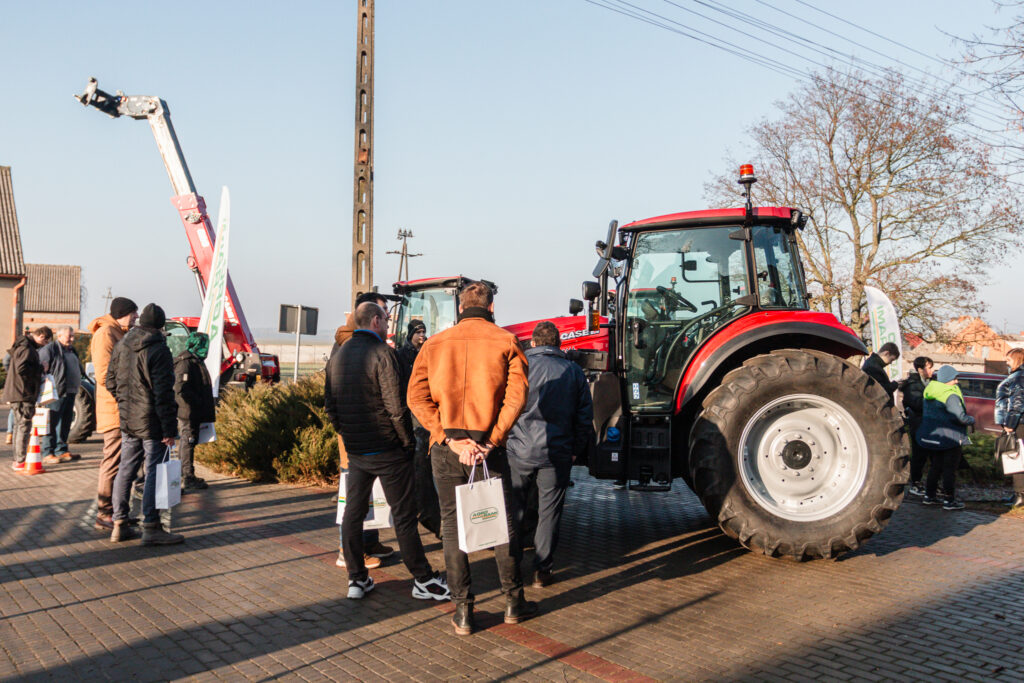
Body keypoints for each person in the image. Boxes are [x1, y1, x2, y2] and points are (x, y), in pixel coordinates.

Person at [408, 281, 534, 636]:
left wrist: (448, 437)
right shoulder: (506, 341)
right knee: (502, 523)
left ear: (460, 309)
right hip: (487, 449)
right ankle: (513, 602)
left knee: (452, 526)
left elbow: (415, 398)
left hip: (448, 448)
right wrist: (492, 440)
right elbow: (517, 398)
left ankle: (463, 610)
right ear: (491, 308)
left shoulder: (434, 344)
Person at [331, 302, 449, 601]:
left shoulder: (339, 354)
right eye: (386, 319)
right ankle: (423, 579)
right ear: (374, 321)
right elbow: (397, 408)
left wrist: (348, 433)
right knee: (405, 517)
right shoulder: (383, 354)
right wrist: (407, 443)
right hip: (388, 450)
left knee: (352, 514)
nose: (388, 323)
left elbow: (330, 406)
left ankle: (356, 579)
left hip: (357, 451)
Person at [507, 321, 593, 588]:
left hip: (519, 451)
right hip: (556, 454)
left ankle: (511, 566)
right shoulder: (574, 371)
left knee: (515, 510)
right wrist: (576, 451)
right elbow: (584, 417)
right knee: (549, 512)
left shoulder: (519, 367)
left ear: (532, 343)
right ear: (558, 343)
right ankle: (542, 570)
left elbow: (505, 407)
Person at [326, 291, 397, 570]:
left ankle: (369, 542)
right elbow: (332, 395)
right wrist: (343, 428)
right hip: (356, 440)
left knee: (368, 496)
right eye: (384, 314)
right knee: (352, 499)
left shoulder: (359, 343)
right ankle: (348, 551)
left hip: (362, 435)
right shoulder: (347, 345)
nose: (387, 320)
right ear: (370, 317)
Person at [106, 303, 182, 544]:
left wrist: (125, 401)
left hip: (128, 419)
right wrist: (170, 430)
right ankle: (151, 525)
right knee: (153, 471)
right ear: (161, 326)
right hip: (152, 422)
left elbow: (110, 381)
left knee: (126, 468)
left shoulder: (122, 344)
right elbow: (163, 394)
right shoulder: (159, 349)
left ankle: (119, 523)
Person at [90, 297, 138, 531]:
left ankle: (118, 511)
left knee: (122, 462)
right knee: (113, 461)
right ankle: (104, 512)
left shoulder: (118, 331)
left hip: (121, 407)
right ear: (123, 313)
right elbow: (104, 374)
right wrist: (126, 395)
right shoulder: (106, 334)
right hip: (114, 409)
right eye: (133, 314)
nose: (136, 318)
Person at [395, 319, 442, 539]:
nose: (422, 335)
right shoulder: (403, 356)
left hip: (424, 411)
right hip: (413, 412)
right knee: (420, 463)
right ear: (410, 334)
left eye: (424, 331)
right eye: (419, 332)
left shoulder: (428, 352)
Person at [916, 365, 974, 510]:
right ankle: (949, 500)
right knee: (949, 469)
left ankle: (929, 496)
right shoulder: (950, 395)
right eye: (954, 378)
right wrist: (971, 420)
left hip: (933, 435)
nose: (956, 381)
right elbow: (960, 417)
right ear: (947, 379)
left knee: (935, 467)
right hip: (950, 437)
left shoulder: (930, 390)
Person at [173, 331, 215, 491]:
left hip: (193, 411)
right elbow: (180, 389)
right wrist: (194, 404)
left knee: (190, 442)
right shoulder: (186, 362)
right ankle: (187, 476)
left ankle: (187, 474)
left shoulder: (196, 361)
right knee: (187, 442)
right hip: (188, 413)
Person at [2, 327, 48, 470]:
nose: (45, 344)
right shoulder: (27, 349)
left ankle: (18, 459)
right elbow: (22, 369)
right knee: (23, 426)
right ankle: (20, 460)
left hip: (17, 393)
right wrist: (40, 369)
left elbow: (7, 362)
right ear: (40, 336)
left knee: (18, 426)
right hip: (23, 394)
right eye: (45, 340)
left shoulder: (20, 345)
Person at [39, 326, 84, 464]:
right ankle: (47, 452)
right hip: (55, 392)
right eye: (69, 336)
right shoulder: (50, 349)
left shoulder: (71, 350)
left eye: (72, 336)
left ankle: (61, 450)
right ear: (59, 336)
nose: (72, 339)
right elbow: (41, 367)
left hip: (70, 392)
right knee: (51, 423)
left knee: (65, 422)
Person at [995, 348, 1024, 509]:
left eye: (1009, 360)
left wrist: (1009, 424)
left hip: (1019, 423)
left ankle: (1020, 494)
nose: (1006, 363)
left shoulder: (1019, 377)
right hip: (1020, 422)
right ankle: (1018, 492)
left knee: (1016, 457)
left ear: (1017, 360)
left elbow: (1017, 404)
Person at [902, 356, 934, 496]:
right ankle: (915, 482)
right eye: (929, 367)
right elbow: (915, 403)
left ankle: (931, 484)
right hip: (919, 424)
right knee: (919, 455)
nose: (932, 370)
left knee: (932, 455)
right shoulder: (913, 384)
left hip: (931, 424)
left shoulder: (932, 382)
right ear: (920, 369)